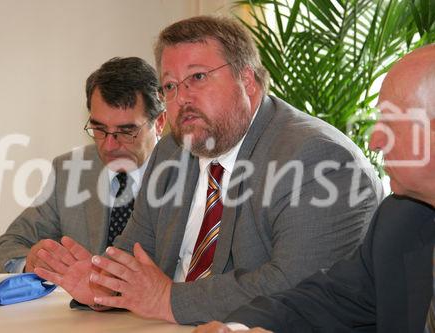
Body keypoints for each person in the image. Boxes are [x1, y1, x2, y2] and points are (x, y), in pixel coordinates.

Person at [34, 16, 383, 324]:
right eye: (170, 86)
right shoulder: (172, 151)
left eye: (197, 77)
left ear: (248, 82)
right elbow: (136, 254)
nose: (181, 98)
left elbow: (297, 287)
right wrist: (101, 284)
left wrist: (167, 299)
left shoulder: (318, 158)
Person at [194, 45, 435, 333]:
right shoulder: (401, 220)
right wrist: (236, 329)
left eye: (391, 122)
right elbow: (326, 300)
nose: (374, 142)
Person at [0, 57, 166, 273]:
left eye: (126, 131)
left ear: (160, 123)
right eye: (98, 129)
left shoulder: (190, 171)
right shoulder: (69, 171)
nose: (109, 146)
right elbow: (5, 249)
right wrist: (30, 264)